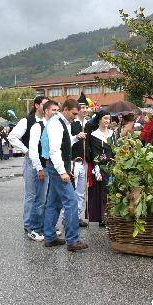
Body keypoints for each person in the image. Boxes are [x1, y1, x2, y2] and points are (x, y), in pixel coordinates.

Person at [41, 99, 87, 251]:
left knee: (53, 203)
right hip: (57, 168)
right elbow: (55, 150)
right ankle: (72, 240)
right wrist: (62, 172)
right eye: (74, 113)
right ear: (65, 109)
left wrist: (75, 138)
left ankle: (49, 237)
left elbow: (63, 144)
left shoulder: (62, 122)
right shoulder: (56, 123)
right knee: (71, 202)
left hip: (56, 167)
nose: (75, 116)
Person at [8, 95, 49, 233]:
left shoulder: (48, 121)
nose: (47, 107)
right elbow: (12, 137)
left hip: (45, 161)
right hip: (31, 161)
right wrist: (26, 150)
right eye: (44, 104)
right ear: (37, 105)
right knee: (31, 194)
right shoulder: (27, 120)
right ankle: (28, 224)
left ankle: (41, 224)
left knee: (43, 195)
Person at [26, 100, 59, 242]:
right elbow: (33, 149)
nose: (56, 113)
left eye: (58, 110)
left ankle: (47, 227)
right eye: (53, 110)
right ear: (46, 111)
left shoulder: (56, 126)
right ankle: (34, 228)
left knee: (49, 200)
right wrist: (39, 168)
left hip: (52, 167)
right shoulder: (37, 126)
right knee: (39, 199)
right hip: (42, 167)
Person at [87, 110, 114, 226]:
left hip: (113, 166)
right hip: (101, 168)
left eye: (108, 118)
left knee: (112, 192)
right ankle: (103, 216)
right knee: (103, 192)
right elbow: (94, 154)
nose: (107, 121)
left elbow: (115, 150)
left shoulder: (113, 133)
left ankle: (113, 216)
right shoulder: (94, 135)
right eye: (105, 118)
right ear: (99, 120)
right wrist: (97, 168)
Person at [71, 93, 90, 228]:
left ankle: (77, 217)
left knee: (81, 192)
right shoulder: (72, 124)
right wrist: (77, 136)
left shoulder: (88, 124)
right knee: (71, 191)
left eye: (85, 108)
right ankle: (69, 217)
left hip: (85, 162)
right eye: (81, 108)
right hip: (74, 161)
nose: (84, 110)